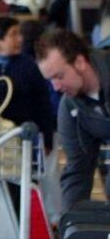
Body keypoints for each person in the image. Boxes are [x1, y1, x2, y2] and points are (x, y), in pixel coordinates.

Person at [37, 28, 110, 212]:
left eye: (59, 76)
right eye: (50, 80)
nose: (56, 87)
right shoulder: (70, 108)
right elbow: (77, 171)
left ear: (80, 62)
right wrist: (70, 227)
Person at [0, 16, 57, 147]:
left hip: (24, 135)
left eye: (20, 34)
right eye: (13, 34)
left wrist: (47, 138)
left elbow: (42, 103)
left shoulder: (28, 64)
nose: (20, 39)